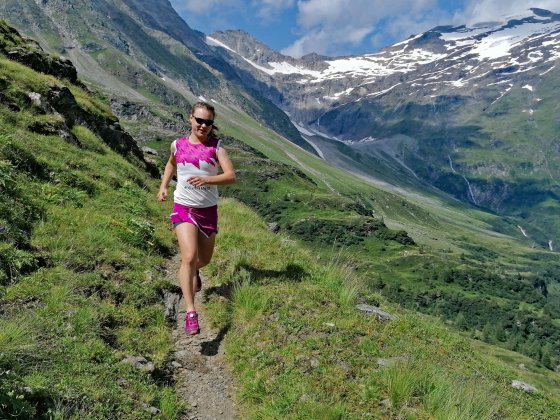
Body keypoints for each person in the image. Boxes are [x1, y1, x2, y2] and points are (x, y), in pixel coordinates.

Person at [157, 101, 236, 335]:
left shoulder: (216, 147)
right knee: (188, 257)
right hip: (183, 207)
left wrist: (208, 180)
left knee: (204, 260)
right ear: (190, 118)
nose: (203, 126)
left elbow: (231, 176)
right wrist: (163, 187)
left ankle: (195, 272)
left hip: (207, 210)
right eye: (199, 120)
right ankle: (191, 312)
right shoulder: (177, 145)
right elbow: (170, 164)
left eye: (208, 122)